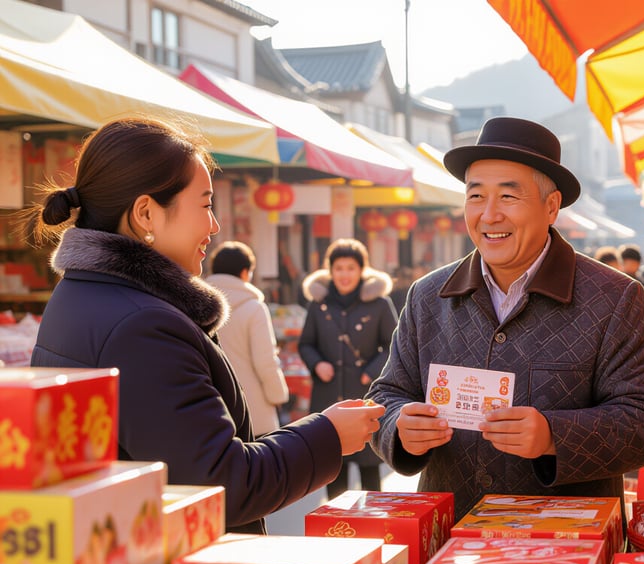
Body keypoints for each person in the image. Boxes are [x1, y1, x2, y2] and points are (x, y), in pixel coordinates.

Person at [24, 117, 384, 534]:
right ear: (146, 214)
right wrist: (328, 435)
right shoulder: (144, 326)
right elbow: (221, 484)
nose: (214, 226)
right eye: (205, 204)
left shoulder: (80, 294)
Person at [367, 116, 644, 522]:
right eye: (475, 196)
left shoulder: (615, 297)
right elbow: (386, 395)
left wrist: (553, 436)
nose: (489, 215)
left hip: (566, 542)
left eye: (508, 197)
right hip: (452, 542)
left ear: (551, 207)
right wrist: (398, 427)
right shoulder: (429, 296)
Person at [299, 238, 398, 499]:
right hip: (329, 395)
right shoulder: (318, 304)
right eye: (339, 268)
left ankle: (374, 526)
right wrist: (317, 363)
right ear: (330, 270)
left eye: (350, 268)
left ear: (362, 269)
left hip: (366, 396)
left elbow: (394, 344)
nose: (344, 274)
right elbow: (306, 343)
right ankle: (337, 529)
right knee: (334, 469)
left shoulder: (378, 303)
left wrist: (374, 370)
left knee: (369, 470)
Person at [206, 241, 289, 437]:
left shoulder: (198, 304)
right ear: (245, 273)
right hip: (252, 409)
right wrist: (278, 395)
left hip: (212, 407)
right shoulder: (254, 308)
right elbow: (265, 362)